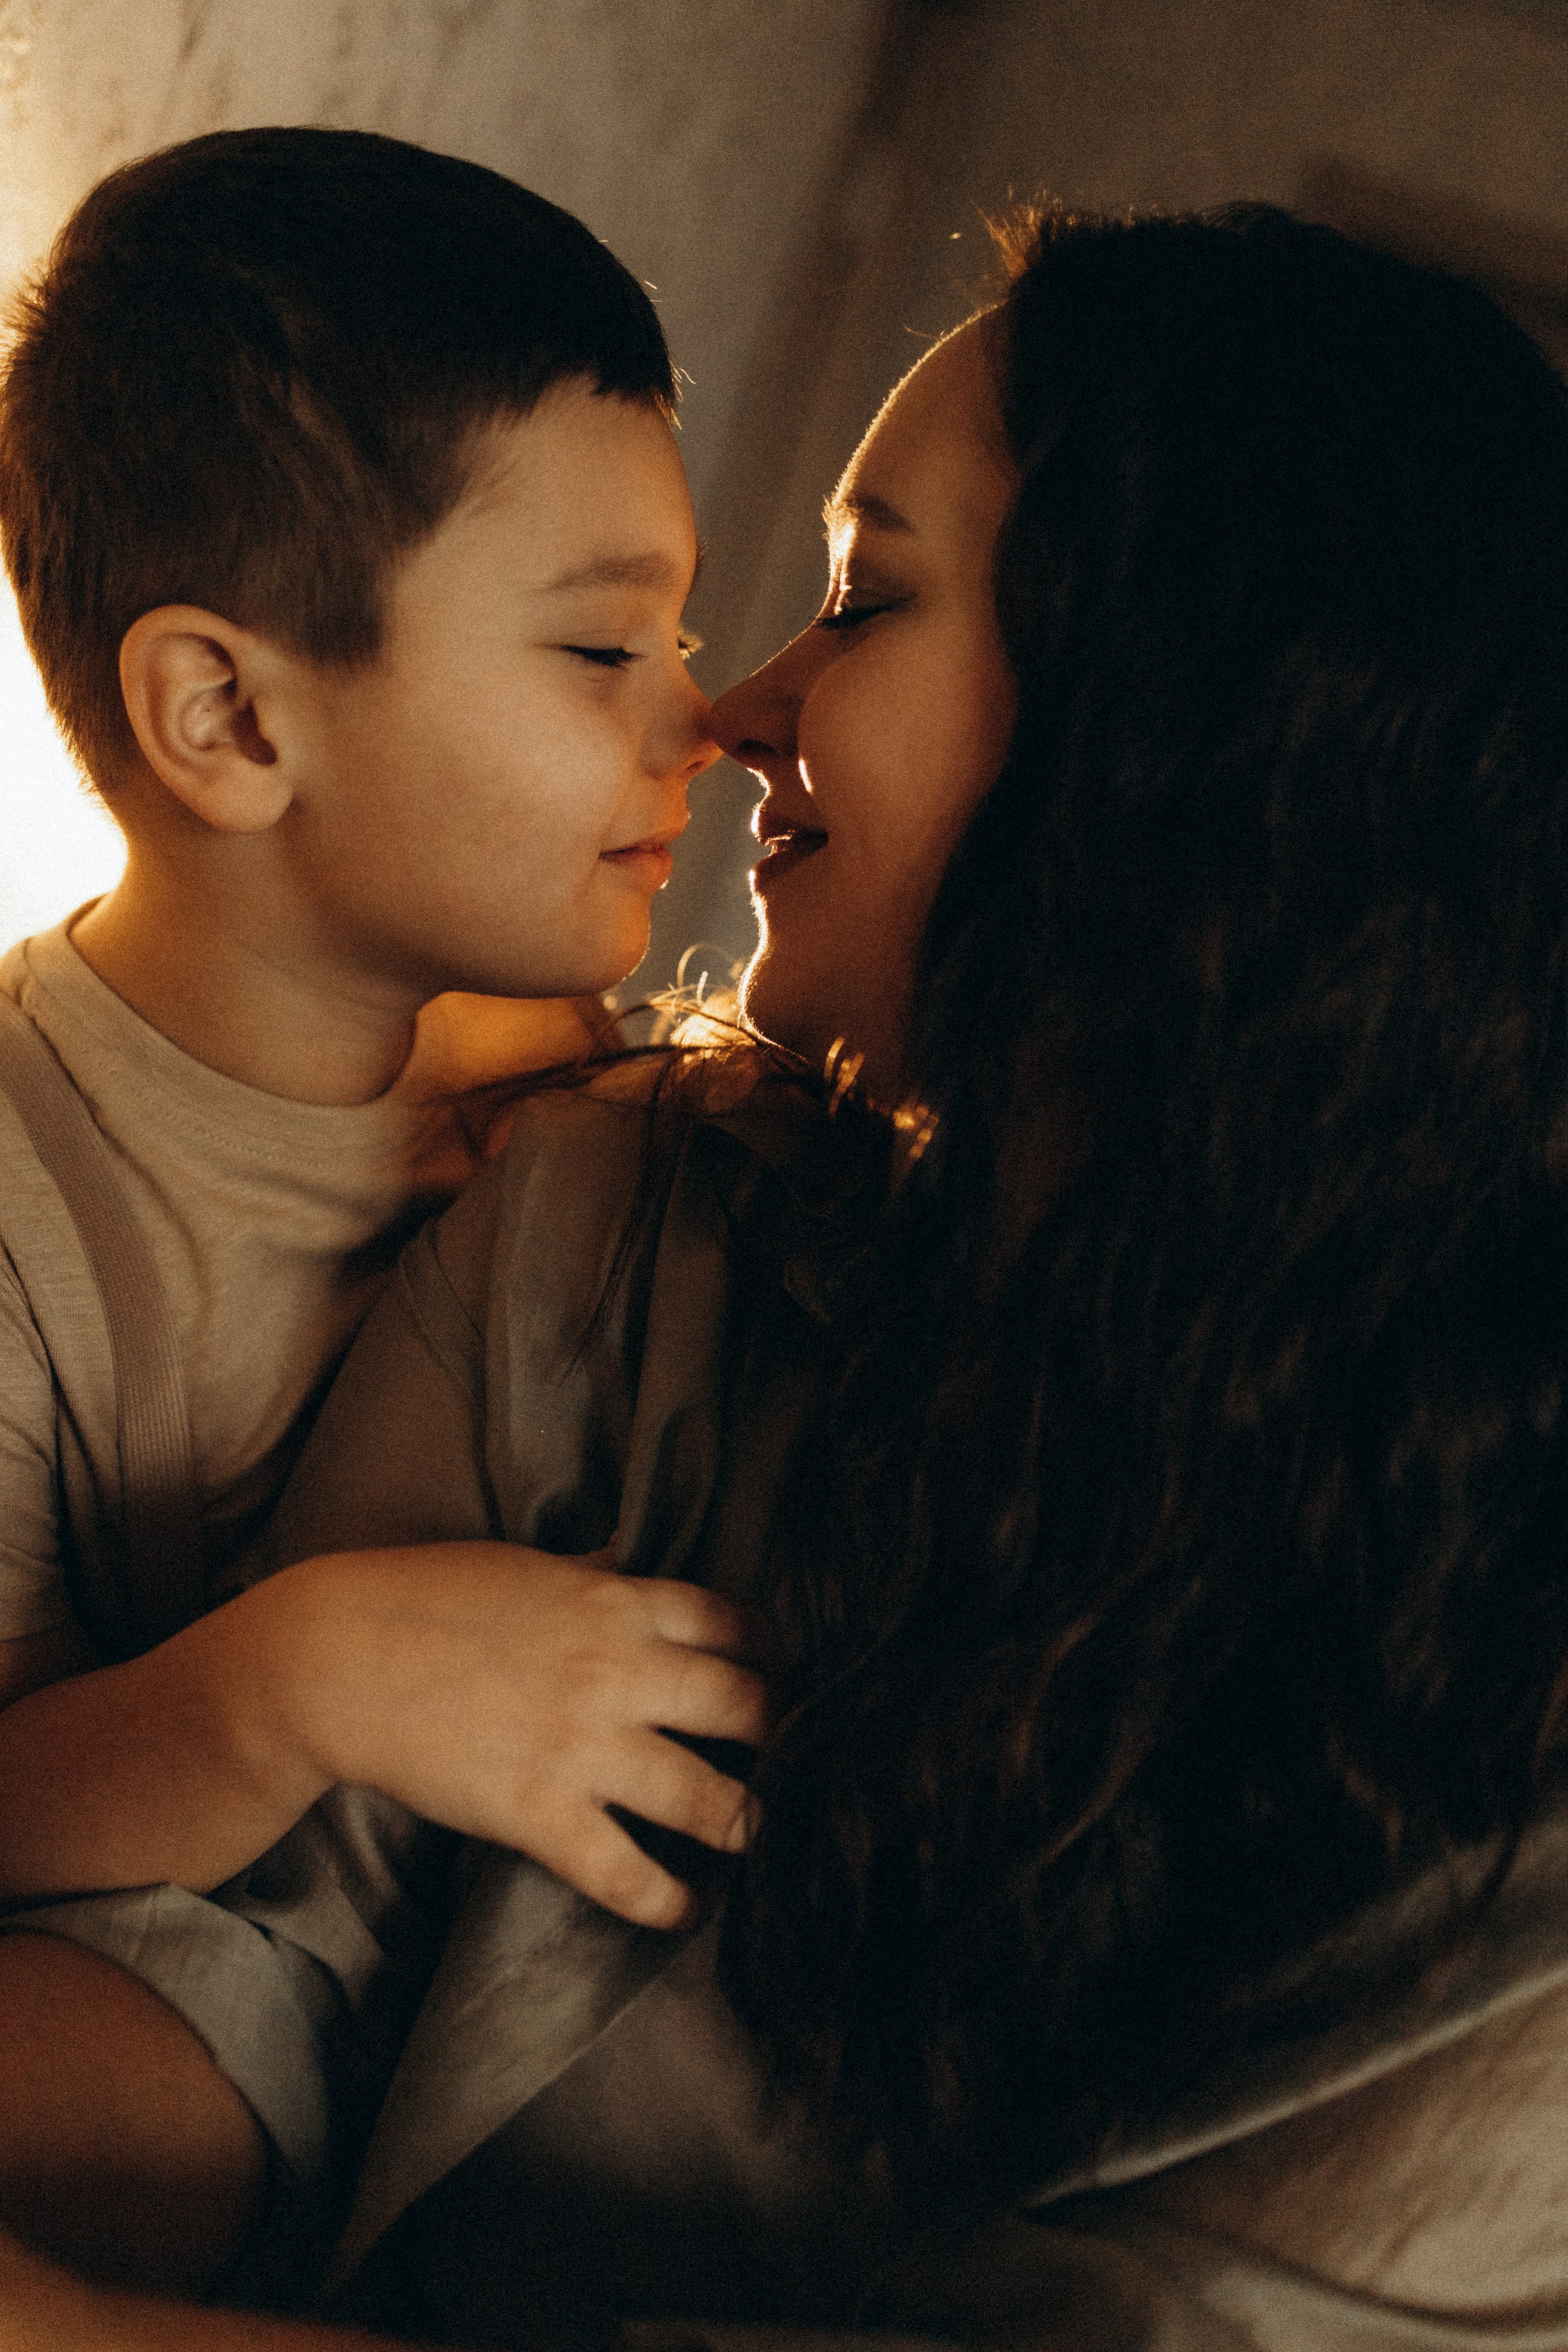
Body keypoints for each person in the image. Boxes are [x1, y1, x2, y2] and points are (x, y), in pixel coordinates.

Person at [15, 198, 1568, 2346]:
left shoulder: (1511, 1677)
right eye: (601, 644)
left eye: (864, 599)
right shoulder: (615, 1215)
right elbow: (252, 1958)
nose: (729, 710)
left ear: (1174, 715)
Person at [0, 125, 766, 2298]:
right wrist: (303, 1685)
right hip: (155, 1996)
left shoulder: (575, 1106)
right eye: (601, 653)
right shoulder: (23, 1198)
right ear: (229, 715)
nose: (697, 725)